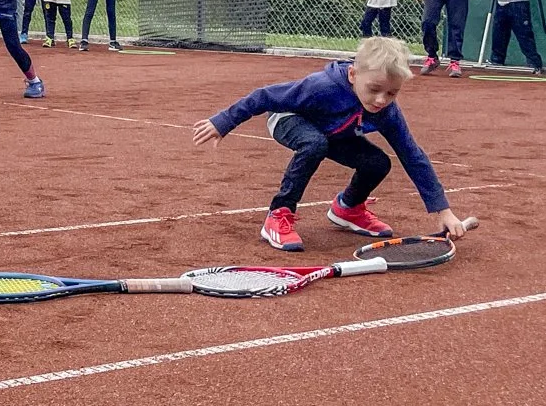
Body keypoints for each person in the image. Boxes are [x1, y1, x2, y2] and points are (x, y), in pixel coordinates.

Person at [192, 35, 468, 253]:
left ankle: (347, 208)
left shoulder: (387, 112)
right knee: (314, 144)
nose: (382, 100)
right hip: (289, 118)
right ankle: (279, 214)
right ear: (352, 75)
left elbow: (412, 155)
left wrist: (443, 210)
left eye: (392, 93)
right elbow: (264, 96)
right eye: (374, 89)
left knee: (378, 163)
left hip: (333, 132)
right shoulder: (321, 87)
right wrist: (223, 122)